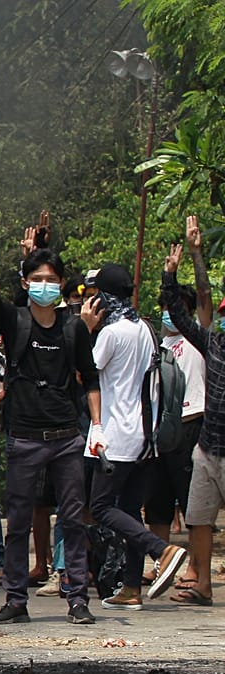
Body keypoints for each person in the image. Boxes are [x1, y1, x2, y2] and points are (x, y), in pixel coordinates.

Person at [0, 212, 98, 624]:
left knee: (74, 520)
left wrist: (98, 427)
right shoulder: (16, 320)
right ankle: (16, 600)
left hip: (66, 437)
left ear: (61, 285)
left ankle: (77, 597)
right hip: (23, 436)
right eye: (37, 279)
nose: (45, 286)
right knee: (18, 521)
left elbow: (91, 379)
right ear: (26, 283)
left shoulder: (74, 328)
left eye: (52, 280)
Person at [81, 263, 192, 610]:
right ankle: (131, 588)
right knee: (129, 508)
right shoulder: (143, 328)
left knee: (100, 506)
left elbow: (85, 371)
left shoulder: (111, 334)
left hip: (115, 434)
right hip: (146, 433)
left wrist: (86, 330)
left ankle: (162, 549)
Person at [160, 214, 221, 606]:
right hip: (209, 446)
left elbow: (202, 301)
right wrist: (174, 273)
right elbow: (188, 309)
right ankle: (203, 585)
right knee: (198, 518)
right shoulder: (212, 342)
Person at [147, 232, 207, 592]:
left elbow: (202, 298)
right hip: (161, 431)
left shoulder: (199, 337)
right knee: (156, 503)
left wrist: (190, 260)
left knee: (193, 505)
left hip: (191, 426)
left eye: (174, 309)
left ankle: (196, 571)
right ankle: (160, 564)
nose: (168, 314)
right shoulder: (155, 341)